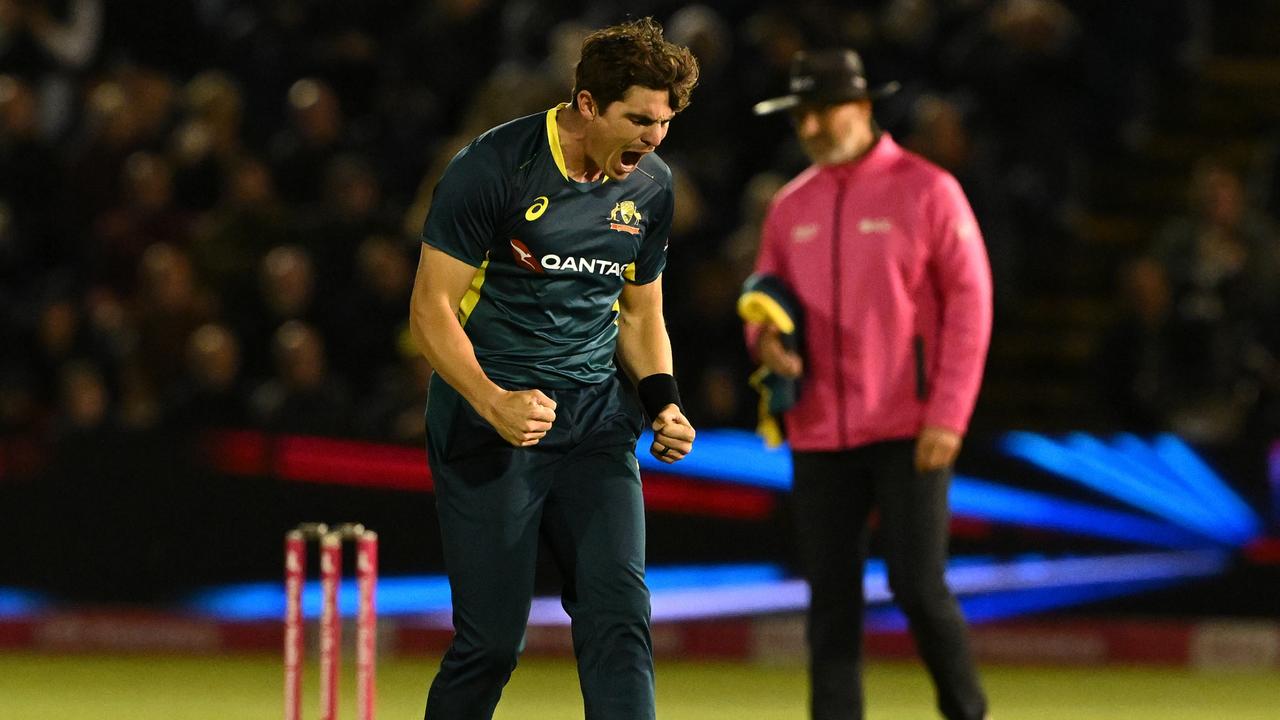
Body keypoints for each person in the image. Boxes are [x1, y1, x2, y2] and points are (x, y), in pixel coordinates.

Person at [408, 18, 699, 720]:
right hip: (491, 424)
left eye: (663, 122)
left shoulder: (651, 188)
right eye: (639, 119)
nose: (653, 138)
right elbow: (429, 312)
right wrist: (491, 400)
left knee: (620, 616)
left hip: (596, 422)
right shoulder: (494, 167)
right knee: (491, 643)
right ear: (589, 104)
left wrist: (662, 402)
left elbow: (639, 316)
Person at [746, 49, 993, 720]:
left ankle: (967, 711)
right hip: (820, 428)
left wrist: (949, 413)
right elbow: (762, 299)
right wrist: (767, 342)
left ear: (863, 107)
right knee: (830, 598)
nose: (812, 128)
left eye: (823, 111)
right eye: (802, 116)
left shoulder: (928, 190)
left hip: (909, 424)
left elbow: (972, 304)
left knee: (917, 586)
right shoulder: (789, 206)